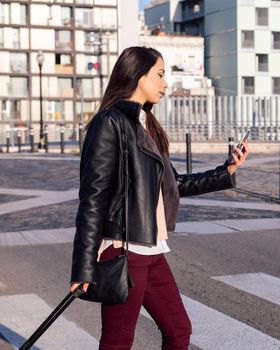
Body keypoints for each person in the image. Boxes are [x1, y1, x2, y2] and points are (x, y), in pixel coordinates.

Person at [69, 46, 249, 350]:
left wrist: (226, 170)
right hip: (123, 249)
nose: (166, 84)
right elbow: (92, 197)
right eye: (160, 75)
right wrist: (83, 266)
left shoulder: (146, 125)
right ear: (138, 76)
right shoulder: (109, 123)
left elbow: (172, 184)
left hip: (151, 249)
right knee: (118, 341)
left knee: (179, 331)